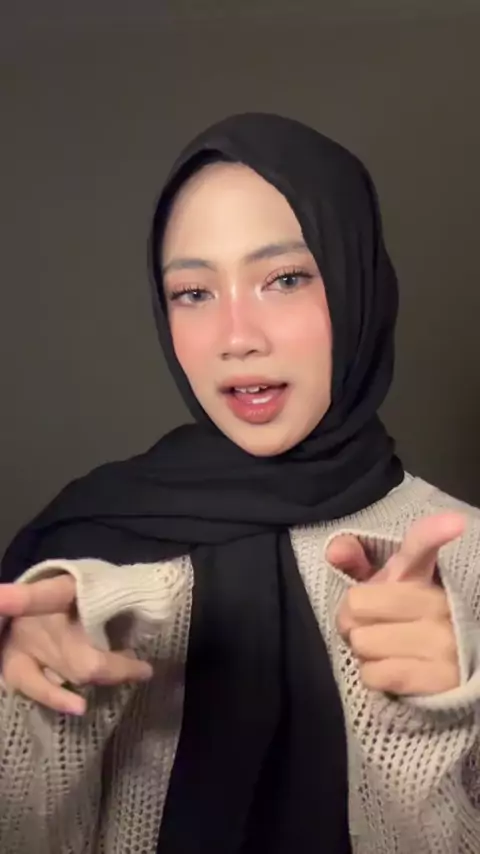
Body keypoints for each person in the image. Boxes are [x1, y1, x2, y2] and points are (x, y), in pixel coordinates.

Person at [0, 112, 479, 854]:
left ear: (357, 282)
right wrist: (24, 710)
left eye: (285, 279)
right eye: (193, 292)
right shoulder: (74, 556)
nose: (236, 338)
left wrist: (440, 715)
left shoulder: (464, 559)